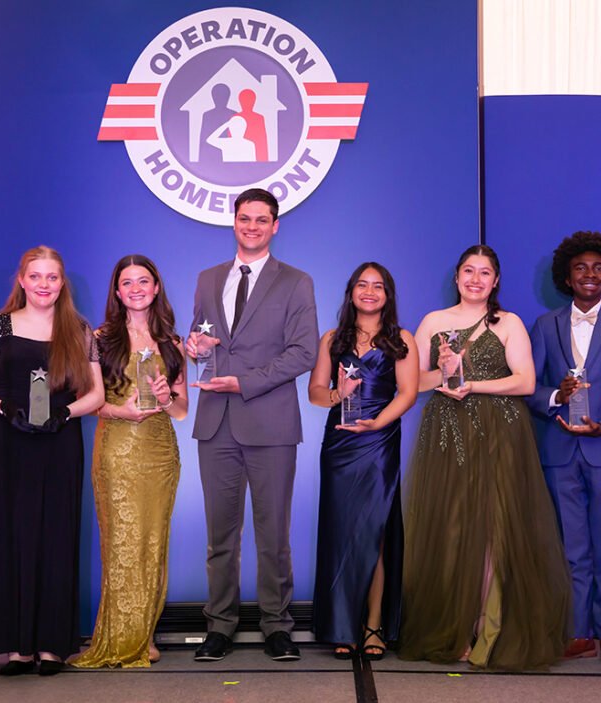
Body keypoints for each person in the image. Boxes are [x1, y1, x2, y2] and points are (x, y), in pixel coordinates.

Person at [399, 245, 570, 671]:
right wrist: (446, 372)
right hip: (448, 433)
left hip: (500, 433)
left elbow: (526, 382)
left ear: (495, 281)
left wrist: (472, 384)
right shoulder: (433, 322)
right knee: (453, 529)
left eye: (485, 272)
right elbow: (415, 382)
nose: (476, 279)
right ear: (456, 277)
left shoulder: (508, 322)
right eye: (469, 271)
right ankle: (453, 630)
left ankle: (487, 630)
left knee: (495, 533)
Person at [185, 188, 319, 662]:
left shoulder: (296, 282)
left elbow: (304, 353)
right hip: (215, 425)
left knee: (273, 534)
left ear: (276, 225)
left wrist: (242, 381)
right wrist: (194, 348)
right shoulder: (207, 278)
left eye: (263, 220)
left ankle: (277, 626)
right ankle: (219, 626)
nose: (253, 226)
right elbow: (202, 338)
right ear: (234, 221)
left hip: (271, 424)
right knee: (220, 535)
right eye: (245, 218)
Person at [0, 246, 103, 676]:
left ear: (62, 284)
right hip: (7, 441)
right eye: (36, 276)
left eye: (52, 277)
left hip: (59, 441)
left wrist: (65, 413)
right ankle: (16, 646)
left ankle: (52, 646)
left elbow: (95, 394)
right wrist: (4, 408)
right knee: (10, 534)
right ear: (22, 280)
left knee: (56, 535)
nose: (44, 285)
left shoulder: (78, 329)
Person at [526, 231, 601, 667]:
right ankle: (577, 632)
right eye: (581, 267)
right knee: (571, 549)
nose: (590, 275)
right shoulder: (544, 325)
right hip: (559, 452)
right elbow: (530, 389)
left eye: (598, 267)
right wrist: (556, 397)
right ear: (566, 274)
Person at [70, 255, 188, 669]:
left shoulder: (172, 343)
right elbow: (87, 402)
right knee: (122, 543)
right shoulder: (99, 338)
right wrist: (122, 411)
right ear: (117, 292)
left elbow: (181, 410)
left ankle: (145, 635)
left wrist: (166, 394)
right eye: (127, 282)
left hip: (160, 453)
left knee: (153, 544)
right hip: (118, 448)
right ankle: (121, 636)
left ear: (156, 287)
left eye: (144, 281)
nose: (136, 288)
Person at [308, 263, 418, 659]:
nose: (369, 291)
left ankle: (374, 626)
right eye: (362, 285)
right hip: (339, 445)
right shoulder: (332, 338)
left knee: (376, 534)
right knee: (341, 535)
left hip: (379, 442)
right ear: (351, 291)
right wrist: (340, 395)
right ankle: (342, 626)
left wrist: (376, 424)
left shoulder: (401, 338)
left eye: (378, 286)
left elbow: (407, 393)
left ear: (388, 294)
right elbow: (316, 393)